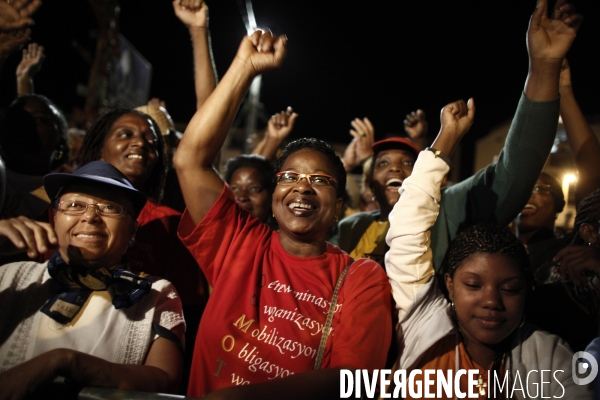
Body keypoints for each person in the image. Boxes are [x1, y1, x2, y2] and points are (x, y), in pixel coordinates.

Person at [173, 29, 391, 399]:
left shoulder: (362, 278)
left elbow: (353, 381)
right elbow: (189, 159)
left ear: (339, 206)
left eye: (319, 180)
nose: (302, 187)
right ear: (275, 193)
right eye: (290, 176)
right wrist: (244, 67)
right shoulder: (239, 242)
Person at [332, 0, 582, 272]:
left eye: (408, 163)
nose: (395, 167)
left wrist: (543, 67)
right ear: (369, 185)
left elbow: (513, 174)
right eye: (383, 163)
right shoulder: (349, 228)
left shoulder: (448, 208)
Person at [385, 100, 591, 399]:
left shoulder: (548, 356)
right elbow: (408, 226)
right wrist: (446, 138)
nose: (491, 301)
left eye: (510, 288)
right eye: (473, 284)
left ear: (529, 289)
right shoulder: (422, 317)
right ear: (449, 284)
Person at [0, 161, 184, 398]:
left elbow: (165, 381)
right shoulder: (9, 276)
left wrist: (66, 361)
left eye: (109, 208)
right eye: (75, 205)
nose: (90, 216)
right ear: (54, 217)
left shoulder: (155, 293)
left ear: (132, 230)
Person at [223, 154, 277, 229]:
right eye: (234, 189)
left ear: (272, 195)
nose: (242, 197)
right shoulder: (215, 234)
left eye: (254, 189)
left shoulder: (281, 238)